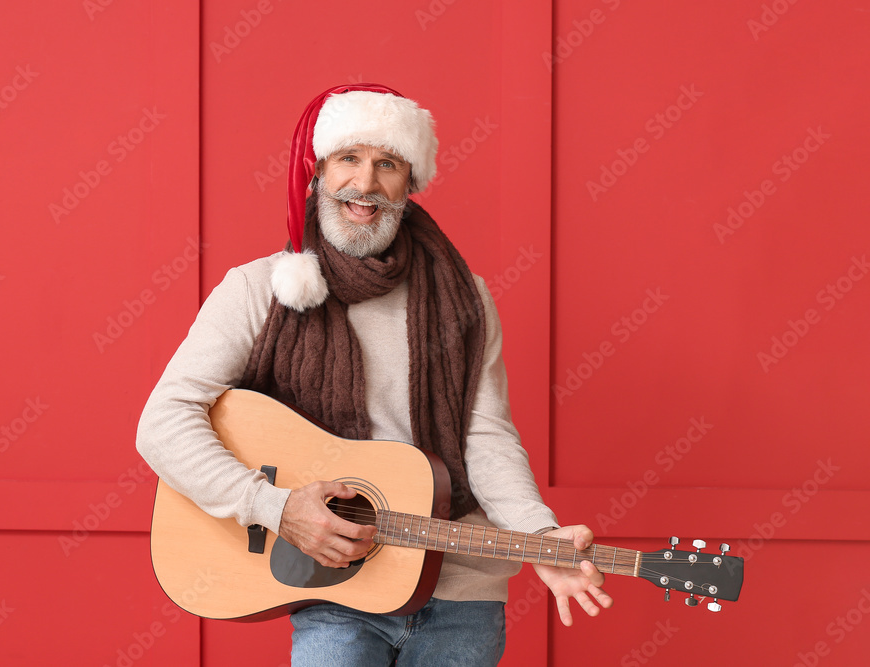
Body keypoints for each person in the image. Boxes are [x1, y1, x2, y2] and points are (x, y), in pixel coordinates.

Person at [136, 83, 612, 665]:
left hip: (461, 591)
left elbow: (484, 436)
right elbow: (162, 422)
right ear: (316, 171)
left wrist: (538, 538)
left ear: (409, 182)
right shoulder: (257, 291)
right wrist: (274, 508)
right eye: (348, 159)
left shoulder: (465, 299)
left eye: (387, 164)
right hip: (337, 584)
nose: (365, 185)